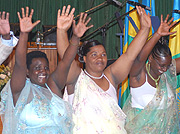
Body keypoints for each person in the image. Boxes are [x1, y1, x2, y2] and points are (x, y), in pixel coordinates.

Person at [58, 6, 151, 133]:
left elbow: (129, 55)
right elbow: (66, 60)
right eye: (94, 55)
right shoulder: (77, 79)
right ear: (84, 58)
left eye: (103, 54)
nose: (100, 58)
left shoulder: (110, 76)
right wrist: (61, 31)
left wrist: (145, 29)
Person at [0, 6, 78, 134]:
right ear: (27, 71)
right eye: (37, 68)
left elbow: (66, 62)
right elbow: (20, 63)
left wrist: (75, 37)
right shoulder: (19, 90)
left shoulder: (53, 86)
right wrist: (24, 34)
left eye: (46, 67)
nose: (43, 71)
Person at [122, 14, 180, 133]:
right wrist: (157, 34)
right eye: (161, 65)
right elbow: (138, 58)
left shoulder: (166, 73)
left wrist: (167, 67)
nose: (164, 69)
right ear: (150, 59)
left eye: (168, 65)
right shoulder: (138, 76)